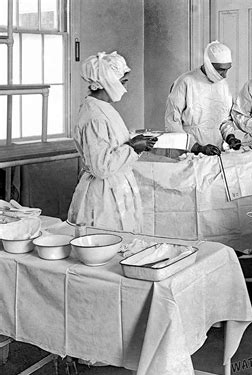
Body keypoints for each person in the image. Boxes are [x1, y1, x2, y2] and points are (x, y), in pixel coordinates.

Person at [68, 51, 156, 233]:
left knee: (126, 236)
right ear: (108, 82)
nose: (125, 88)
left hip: (116, 184)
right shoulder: (95, 117)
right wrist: (132, 147)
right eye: (123, 82)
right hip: (103, 192)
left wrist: (133, 142)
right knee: (106, 240)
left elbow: (110, 145)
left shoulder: (103, 108)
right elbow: (100, 167)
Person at [164, 41, 241, 156]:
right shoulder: (186, 82)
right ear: (208, 64)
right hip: (189, 151)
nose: (225, 75)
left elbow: (224, 120)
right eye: (220, 70)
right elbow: (172, 122)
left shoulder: (223, 85)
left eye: (227, 69)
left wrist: (230, 137)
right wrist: (197, 147)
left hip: (216, 150)